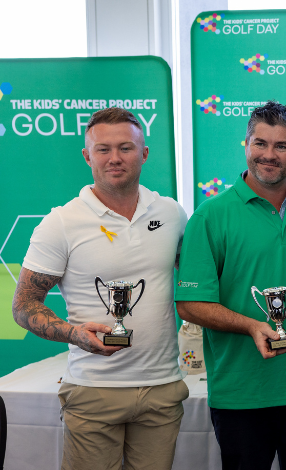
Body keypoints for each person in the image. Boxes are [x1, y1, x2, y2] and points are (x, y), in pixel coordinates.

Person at [175, 100, 286, 470]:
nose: (269, 155)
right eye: (260, 143)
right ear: (246, 145)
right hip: (242, 396)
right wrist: (253, 325)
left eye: (281, 146)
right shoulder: (210, 216)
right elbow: (190, 303)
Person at [12, 107, 189, 470]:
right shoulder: (61, 222)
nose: (114, 158)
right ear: (87, 155)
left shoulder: (171, 213)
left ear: (144, 153)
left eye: (125, 147)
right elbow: (24, 305)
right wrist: (74, 334)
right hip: (93, 390)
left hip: (162, 387)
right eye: (103, 149)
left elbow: (195, 283)